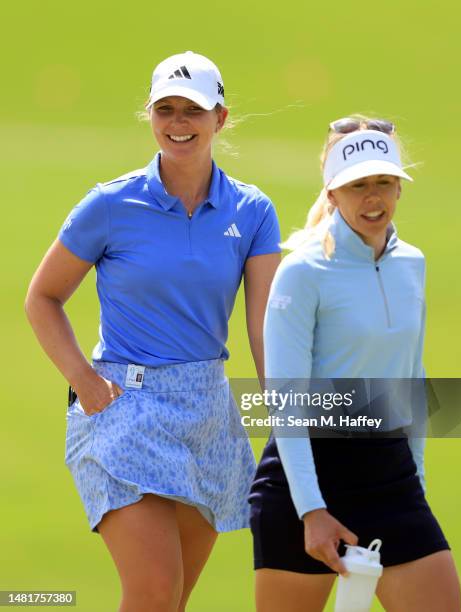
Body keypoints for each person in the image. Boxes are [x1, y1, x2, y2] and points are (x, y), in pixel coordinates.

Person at [25, 51, 281, 612]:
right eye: (165, 109)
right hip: (124, 405)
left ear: (221, 117)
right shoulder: (110, 204)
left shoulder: (253, 210)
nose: (178, 123)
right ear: (151, 115)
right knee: (154, 591)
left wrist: (280, 412)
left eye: (192, 109)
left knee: (172, 598)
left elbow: (263, 326)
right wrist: (83, 381)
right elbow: (42, 298)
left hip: (208, 410)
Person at [249, 117, 461, 611]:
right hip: (306, 480)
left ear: (400, 188)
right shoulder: (301, 272)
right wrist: (312, 510)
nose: (373, 198)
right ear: (332, 192)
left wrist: (417, 482)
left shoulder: (412, 262)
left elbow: (411, 376)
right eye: (358, 185)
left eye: (384, 182)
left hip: (390, 476)